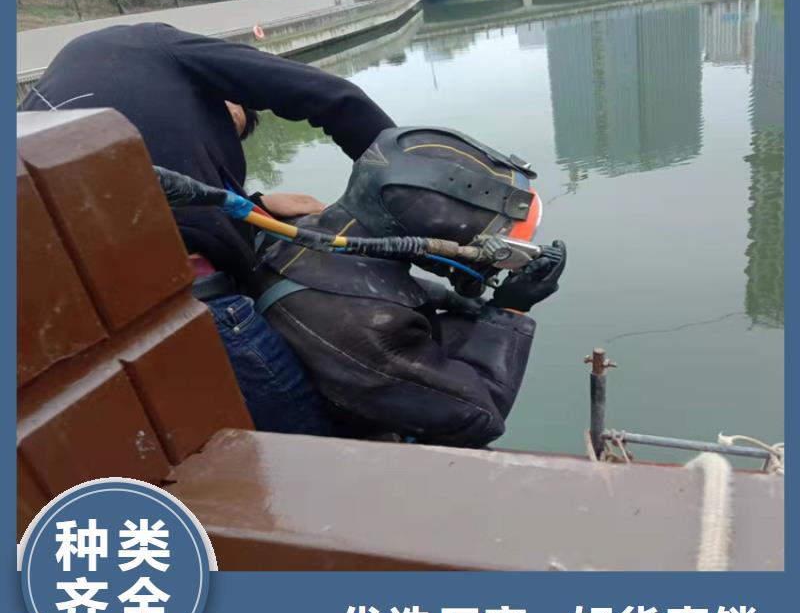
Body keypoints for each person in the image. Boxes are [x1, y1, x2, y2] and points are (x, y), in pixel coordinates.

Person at [19, 22, 396, 434]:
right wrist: (401, 178)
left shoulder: (52, 102)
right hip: (184, 299)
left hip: (54, 331)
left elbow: (131, 191)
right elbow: (326, 94)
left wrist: (256, 206)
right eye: (232, 123)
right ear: (223, 93)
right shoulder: (151, 43)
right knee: (321, 442)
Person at [254, 126, 567, 448]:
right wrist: (511, 310)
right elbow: (479, 417)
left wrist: (453, 299)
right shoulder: (366, 332)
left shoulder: (302, 235)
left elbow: (370, 280)